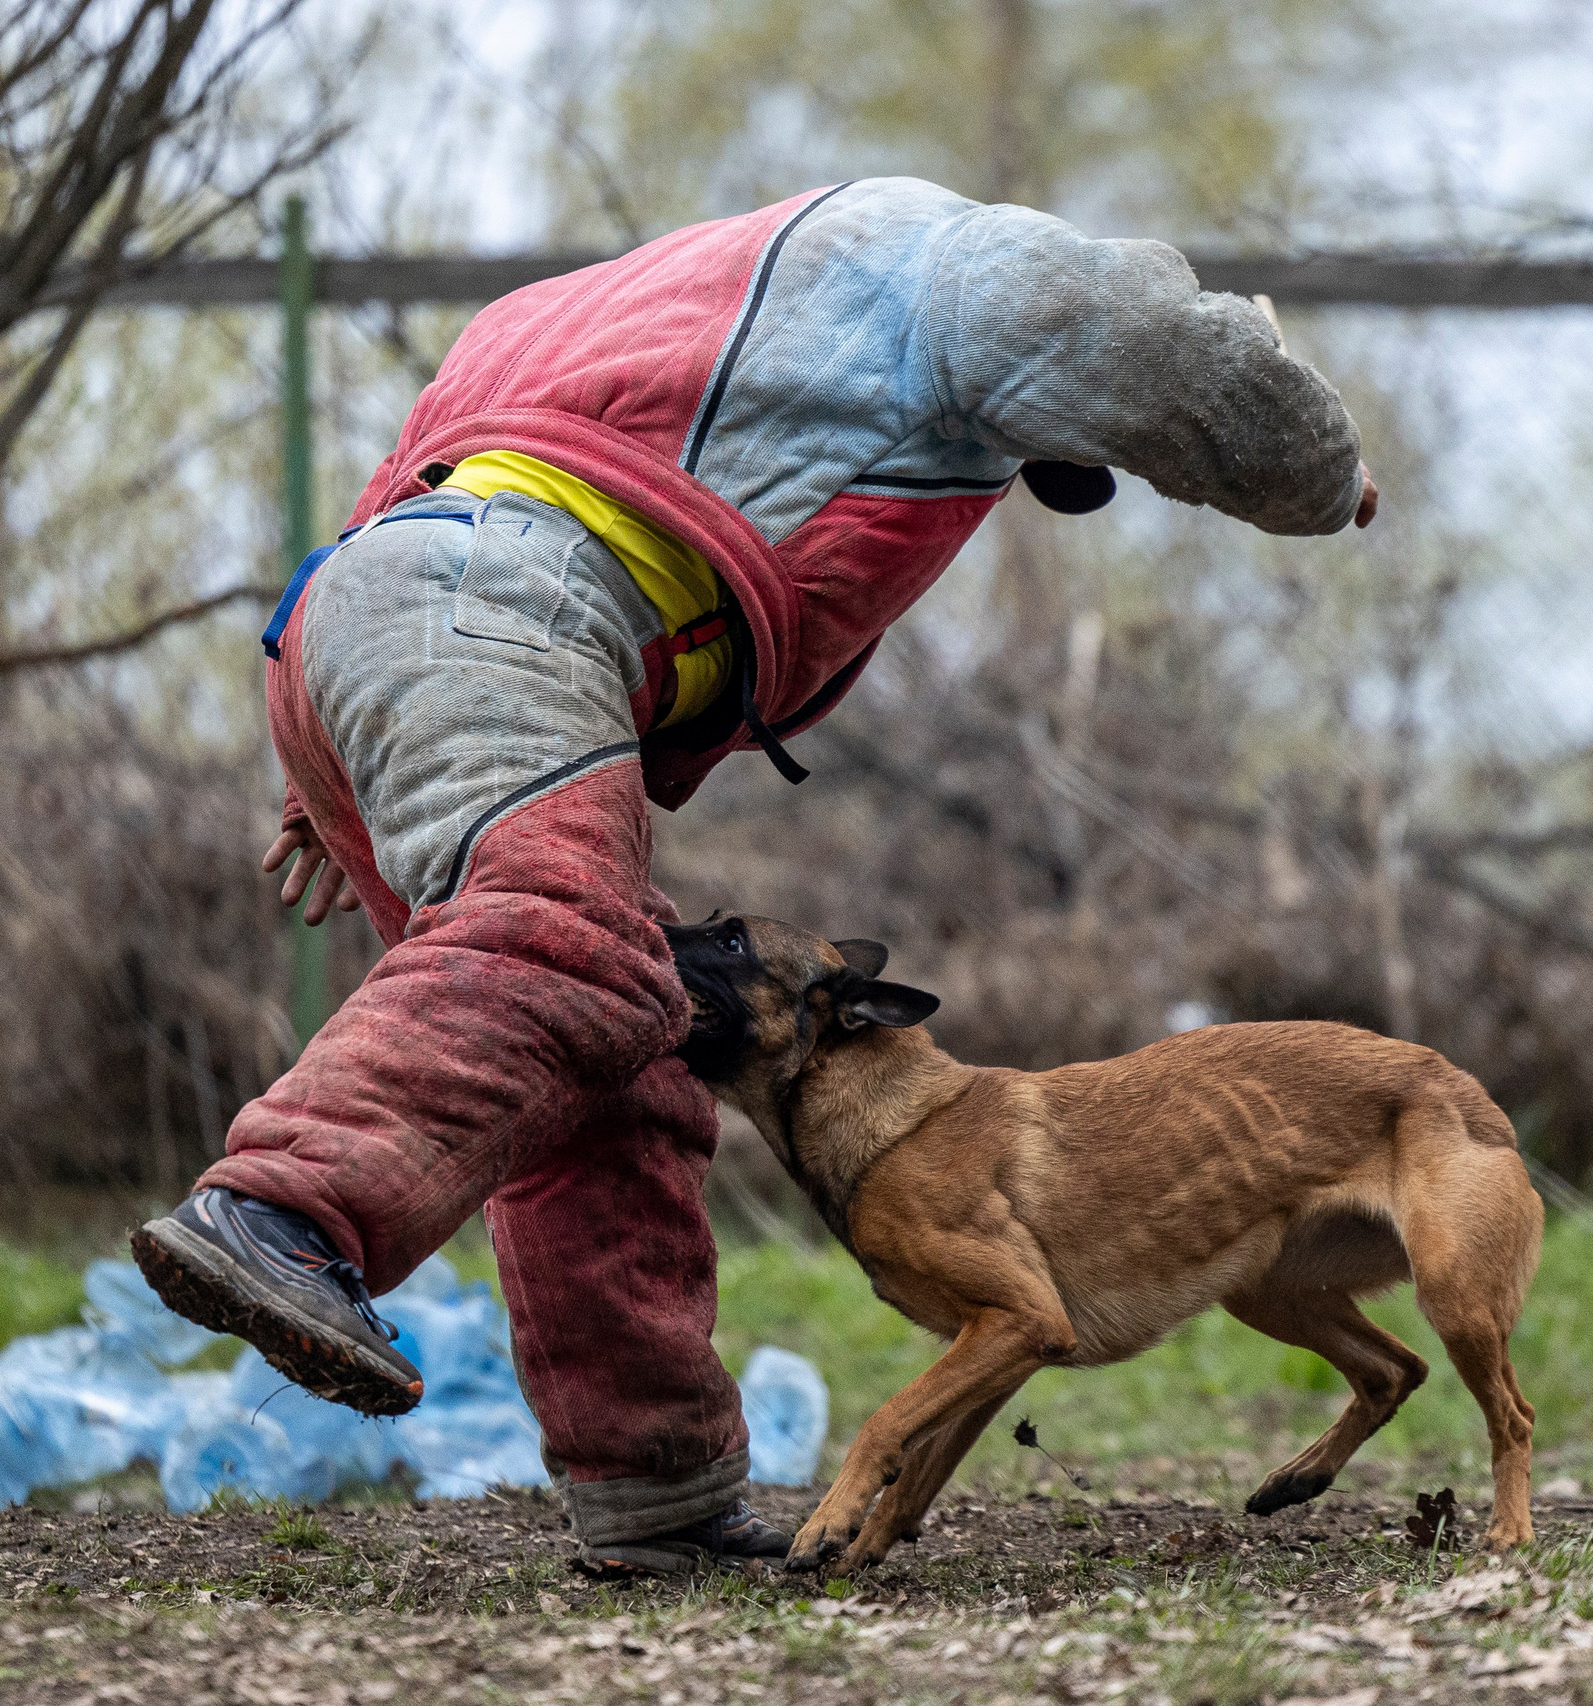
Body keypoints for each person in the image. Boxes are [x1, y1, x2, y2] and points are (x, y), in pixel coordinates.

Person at [132, 176, 1379, 1577]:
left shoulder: (622, 305)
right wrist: (1326, 476)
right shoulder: (948, 261)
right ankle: (286, 1211)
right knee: (574, 950)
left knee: (631, 1056)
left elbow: (411, 494)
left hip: (371, 620)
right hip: (511, 614)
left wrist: (326, 755)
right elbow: (1170, 353)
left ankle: (655, 1493)